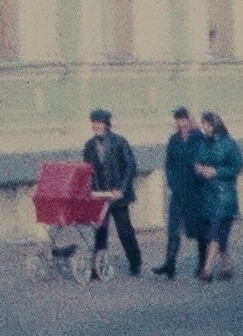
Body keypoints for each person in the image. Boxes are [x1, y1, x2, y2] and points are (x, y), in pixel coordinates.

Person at [81, 108, 142, 277]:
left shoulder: (119, 142)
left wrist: (122, 188)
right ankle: (98, 268)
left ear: (107, 124)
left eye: (99, 122)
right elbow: (86, 170)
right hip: (100, 196)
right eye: (94, 122)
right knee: (100, 231)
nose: (96, 126)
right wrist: (90, 191)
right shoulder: (89, 145)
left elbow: (130, 166)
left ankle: (135, 263)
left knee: (125, 231)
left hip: (117, 195)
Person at [192, 110, 243, 281]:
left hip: (224, 196)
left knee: (215, 233)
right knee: (218, 234)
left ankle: (207, 270)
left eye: (207, 124)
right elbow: (197, 163)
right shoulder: (203, 144)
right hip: (208, 196)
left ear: (215, 124)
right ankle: (226, 267)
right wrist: (200, 170)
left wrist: (216, 172)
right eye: (203, 124)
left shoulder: (229, 144)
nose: (205, 127)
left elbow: (237, 166)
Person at [154, 106, 204, 279]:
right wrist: (171, 181)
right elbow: (168, 163)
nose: (181, 123)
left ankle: (203, 263)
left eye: (184, 119)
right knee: (173, 228)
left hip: (196, 190)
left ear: (190, 120)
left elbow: (204, 159)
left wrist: (200, 178)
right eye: (178, 119)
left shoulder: (199, 138)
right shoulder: (173, 140)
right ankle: (170, 264)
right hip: (178, 190)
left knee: (198, 228)